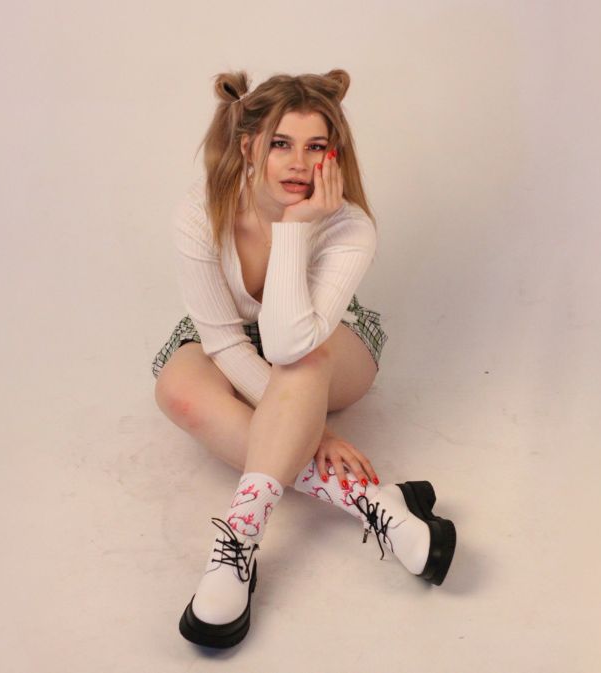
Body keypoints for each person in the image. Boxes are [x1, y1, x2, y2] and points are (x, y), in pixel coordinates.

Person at [150, 70, 457, 649]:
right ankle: (374, 502)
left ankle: (238, 543)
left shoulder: (349, 226)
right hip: (230, 336)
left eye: (316, 147)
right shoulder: (201, 210)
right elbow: (223, 341)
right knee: (178, 393)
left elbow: (291, 342)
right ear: (248, 147)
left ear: (333, 155)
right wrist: (313, 434)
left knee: (301, 361)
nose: (298, 164)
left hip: (330, 341)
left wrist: (295, 228)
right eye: (280, 144)